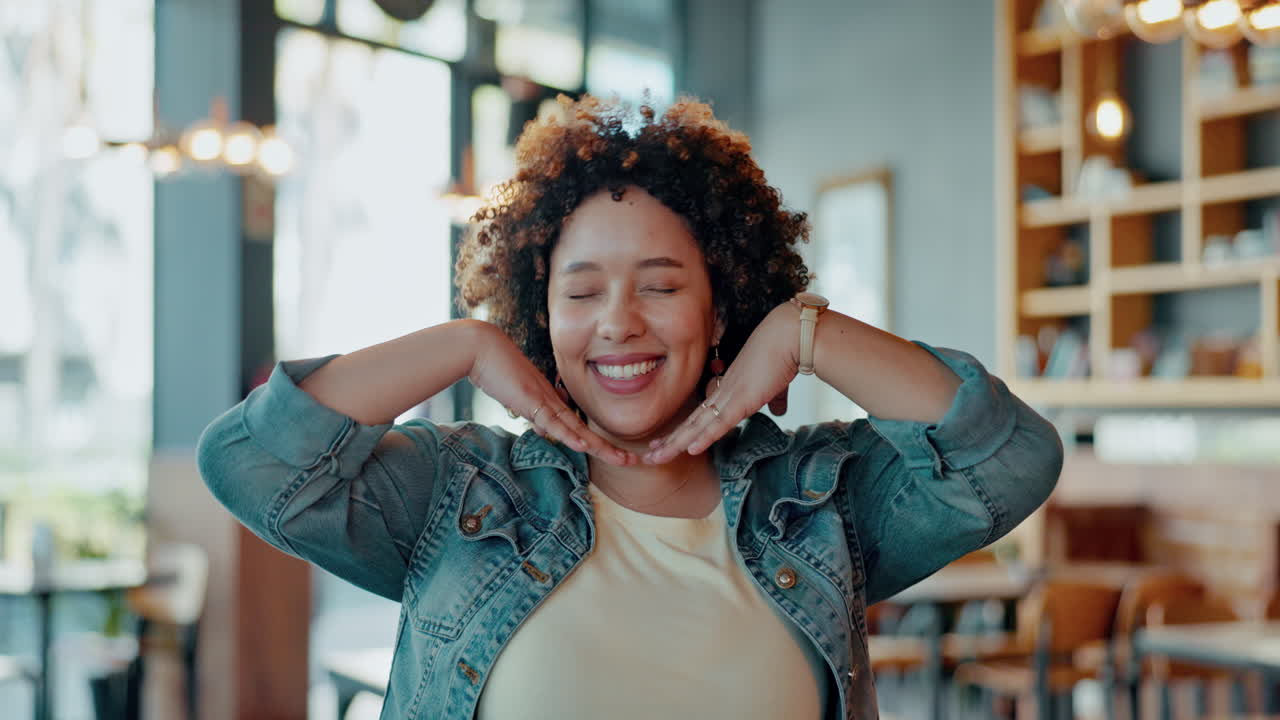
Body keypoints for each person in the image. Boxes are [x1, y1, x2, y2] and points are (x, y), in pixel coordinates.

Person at [198, 95, 1062, 720]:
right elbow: (250, 463)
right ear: (541, 316)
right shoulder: (457, 493)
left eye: (661, 286)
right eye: (582, 293)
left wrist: (807, 335)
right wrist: (465, 344)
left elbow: (1010, 459)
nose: (618, 322)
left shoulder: (821, 501)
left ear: (720, 308)